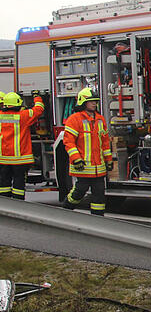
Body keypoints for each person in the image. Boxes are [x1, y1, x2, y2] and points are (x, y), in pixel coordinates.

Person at [61, 87, 111, 216]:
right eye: (91, 101)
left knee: (99, 192)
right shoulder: (74, 119)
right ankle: (66, 209)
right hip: (83, 166)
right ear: (83, 102)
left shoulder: (100, 119)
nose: (94, 103)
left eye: (95, 101)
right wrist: (76, 159)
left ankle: (98, 218)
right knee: (80, 190)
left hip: (98, 167)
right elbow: (69, 142)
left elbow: (105, 142)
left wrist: (108, 160)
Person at [0, 91, 46, 200]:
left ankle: (4, 203)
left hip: (4, 158)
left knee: (4, 182)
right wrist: (37, 97)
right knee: (19, 182)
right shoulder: (24, 116)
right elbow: (39, 109)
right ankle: (18, 204)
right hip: (19, 158)